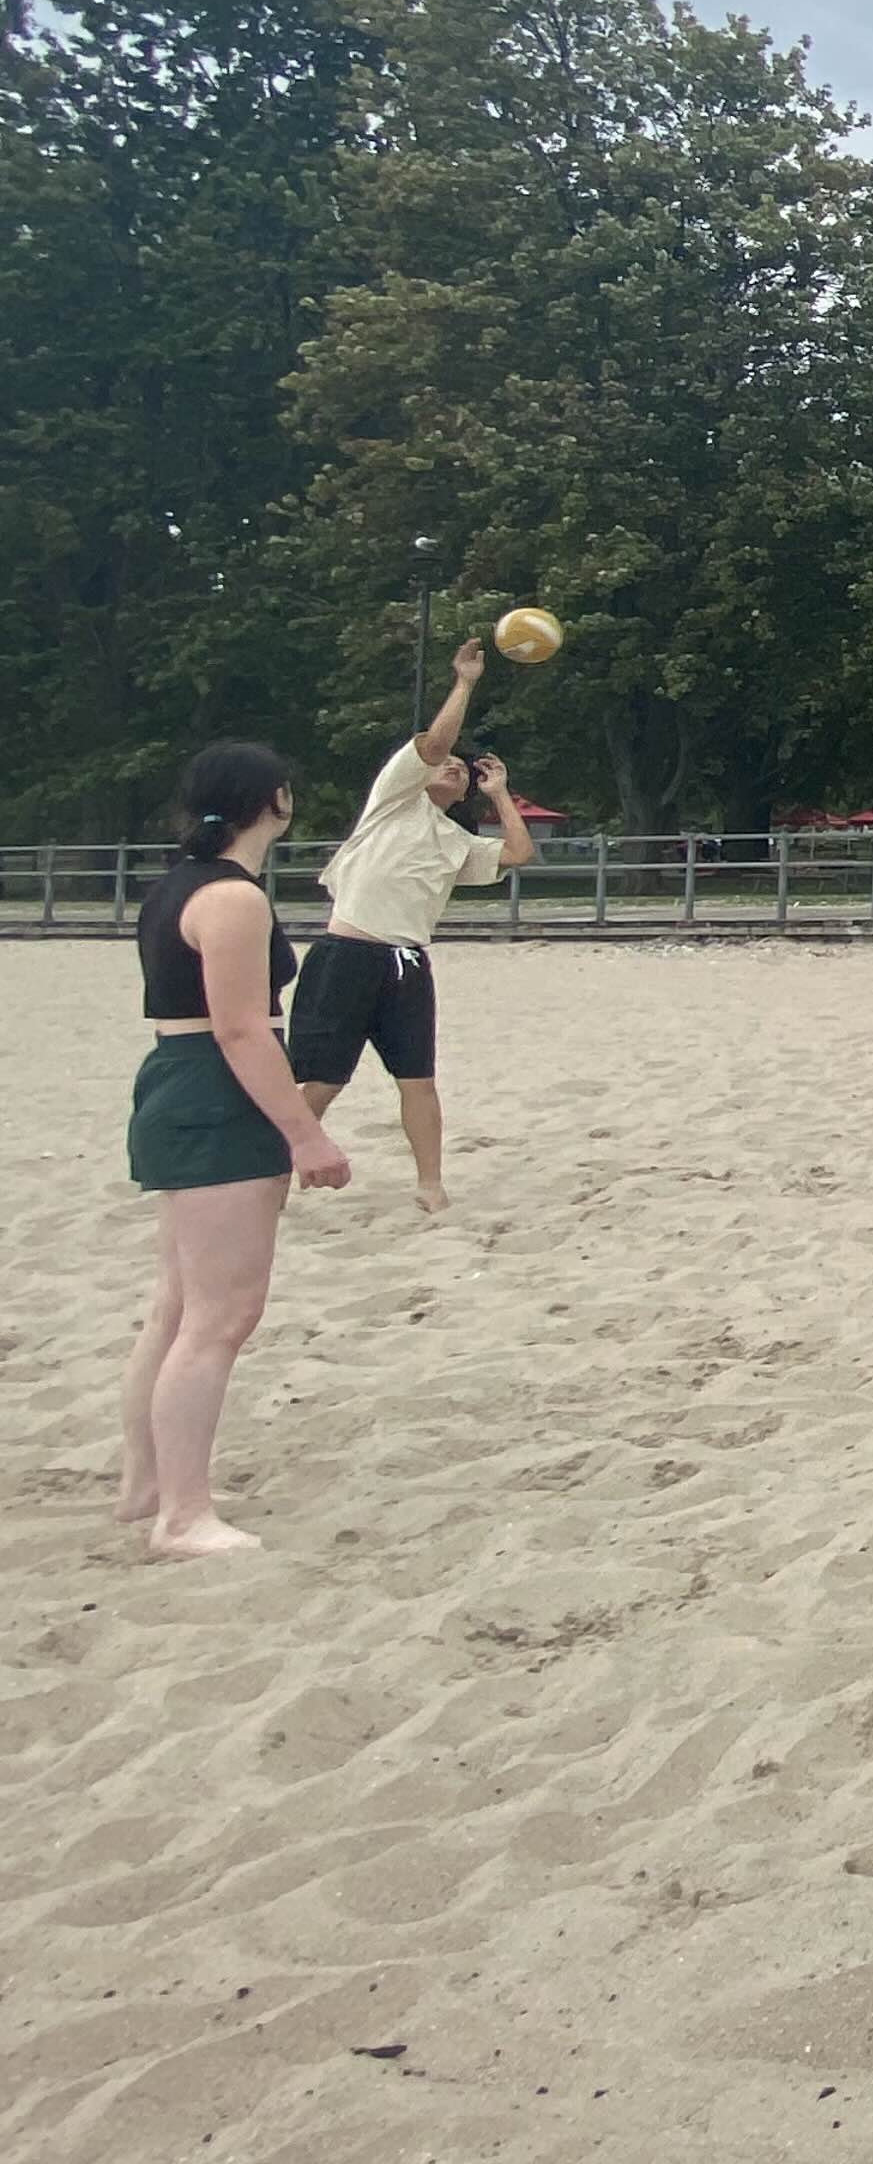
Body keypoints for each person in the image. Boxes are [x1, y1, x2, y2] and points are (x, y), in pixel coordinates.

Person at [118, 744, 352, 1560]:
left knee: (178, 1306)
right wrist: (305, 1133)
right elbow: (242, 1028)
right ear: (275, 800)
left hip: (181, 1083)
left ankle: (148, 1486)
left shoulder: (179, 884)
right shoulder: (231, 897)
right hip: (215, 1094)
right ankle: (182, 1515)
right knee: (220, 1316)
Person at [285, 632, 535, 1212]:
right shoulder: (395, 799)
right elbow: (435, 742)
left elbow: (518, 853)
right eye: (445, 765)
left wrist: (500, 794)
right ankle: (268, 1176)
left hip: (406, 963)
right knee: (323, 1081)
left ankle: (430, 1185)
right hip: (347, 955)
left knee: (418, 1081)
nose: (453, 767)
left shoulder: (456, 839)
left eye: (462, 770)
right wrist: (464, 682)